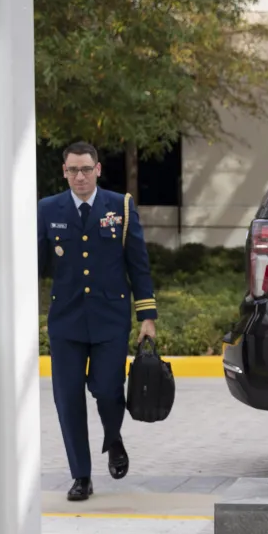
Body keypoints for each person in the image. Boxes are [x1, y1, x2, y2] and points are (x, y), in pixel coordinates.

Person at [37, 141, 158, 502]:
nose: (79, 176)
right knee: (67, 398)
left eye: (86, 169)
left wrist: (147, 316)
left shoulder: (119, 206)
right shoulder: (48, 209)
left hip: (110, 319)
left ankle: (113, 437)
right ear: (64, 172)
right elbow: (35, 265)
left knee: (107, 389)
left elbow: (138, 264)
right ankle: (81, 476)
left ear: (98, 170)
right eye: (72, 170)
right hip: (67, 321)